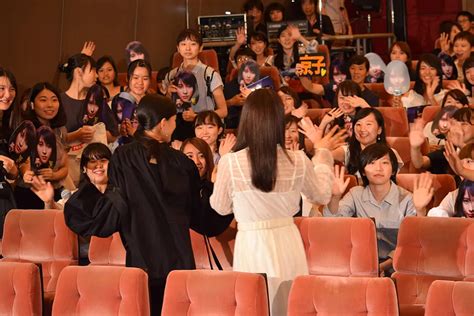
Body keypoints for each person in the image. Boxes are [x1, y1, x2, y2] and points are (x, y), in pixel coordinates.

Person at [64, 94, 232, 314]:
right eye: (173, 121)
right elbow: (203, 218)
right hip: (178, 265)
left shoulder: (122, 158)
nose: (175, 126)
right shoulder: (181, 163)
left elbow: (113, 211)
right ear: (163, 123)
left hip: (140, 265)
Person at [210, 89, 336, 315]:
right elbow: (322, 195)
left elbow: (220, 207)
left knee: (254, 305)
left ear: (247, 120)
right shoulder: (297, 160)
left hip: (251, 243)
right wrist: (323, 154)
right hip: (287, 241)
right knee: (289, 306)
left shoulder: (231, 162)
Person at [324, 143, 426, 275]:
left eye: (384, 163)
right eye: (371, 163)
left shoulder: (407, 199)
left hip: (398, 266)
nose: (378, 168)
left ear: (394, 170)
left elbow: (413, 242)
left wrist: (421, 210)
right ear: (363, 172)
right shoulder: (355, 194)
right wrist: (335, 198)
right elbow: (334, 224)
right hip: (360, 264)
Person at [163, 29, 227, 128]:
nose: (188, 48)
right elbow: (165, 110)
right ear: (178, 48)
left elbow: (223, 111)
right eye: (183, 44)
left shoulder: (210, 74)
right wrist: (168, 94)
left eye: (193, 44)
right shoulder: (171, 75)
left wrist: (197, 117)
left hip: (204, 127)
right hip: (178, 128)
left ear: (200, 48)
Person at [330, 107, 403, 180]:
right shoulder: (347, 151)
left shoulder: (390, 153)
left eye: (368, 124)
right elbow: (325, 156)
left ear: (379, 130)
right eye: (358, 124)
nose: (362, 129)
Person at [418, 143, 474, 218]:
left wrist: (462, 171)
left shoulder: (462, 171)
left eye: (469, 161)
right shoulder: (454, 196)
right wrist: (420, 210)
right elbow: (437, 217)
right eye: (460, 161)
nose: (461, 165)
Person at [411, 108, 473, 174]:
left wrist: (461, 145)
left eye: (464, 124)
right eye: (455, 124)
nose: (458, 128)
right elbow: (420, 163)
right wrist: (415, 148)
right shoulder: (449, 151)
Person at [59, 53, 98, 145]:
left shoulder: (95, 101)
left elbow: (113, 133)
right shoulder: (59, 101)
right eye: (93, 70)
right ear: (79, 72)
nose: (97, 76)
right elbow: (51, 137)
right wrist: (76, 135)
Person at [111, 59, 151, 144]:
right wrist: (119, 130)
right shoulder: (119, 101)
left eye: (145, 78)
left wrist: (136, 134)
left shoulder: (153, 103)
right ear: (128, 78)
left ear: (150, 80)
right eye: (135, 78)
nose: (140, 82)